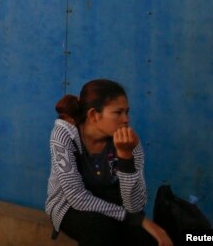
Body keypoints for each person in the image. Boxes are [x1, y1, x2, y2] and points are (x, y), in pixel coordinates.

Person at [46, 79, 172, 246]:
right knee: (100, 231)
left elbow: (134, 206)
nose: (126, 119)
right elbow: (76, 197)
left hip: (115, 206)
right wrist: (136, 219)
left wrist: (126, 157)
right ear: (93, 115)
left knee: (147, 239)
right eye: (118, 112)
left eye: (127, 112)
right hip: (69, 206)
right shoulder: (64, 134)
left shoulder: (129, 143)